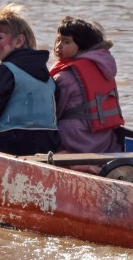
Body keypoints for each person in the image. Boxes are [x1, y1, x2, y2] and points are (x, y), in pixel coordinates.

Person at [0, 4, 60, 156]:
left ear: (19, 41)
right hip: (48, 143)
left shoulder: (2, 73)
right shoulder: (48, 77)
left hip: (9, 144)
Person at [50, 17, 125, 171]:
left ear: (82, 46)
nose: (58, 46)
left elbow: (53, 113)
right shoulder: (103, 67)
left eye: (66, 42)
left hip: (77, 143)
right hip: (104, 142)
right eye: (58, 40)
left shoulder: (64, 78)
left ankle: (83, 167)